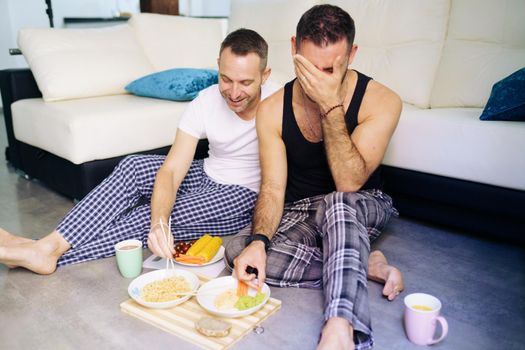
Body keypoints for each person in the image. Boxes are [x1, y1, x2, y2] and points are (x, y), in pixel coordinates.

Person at [0, 28, 277, 275]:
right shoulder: (206, 100)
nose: (234, 92)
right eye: (226, 79)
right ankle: (49, 246)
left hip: (242, 194)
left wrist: (156, 218)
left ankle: (43, 252)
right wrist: (159, 223)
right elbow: (170, 170)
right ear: (217, 66)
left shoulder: (279, 104)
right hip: (206, 172)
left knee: (142, 215)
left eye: (245, 83)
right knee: (134, 169)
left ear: (265, 75)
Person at [226, 5, 404, 350]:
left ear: (351, 54)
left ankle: (341, 327)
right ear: (294, 48)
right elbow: (275, 187)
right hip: (303, 208)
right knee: (240, 251)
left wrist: (330, 105)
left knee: (338, 202)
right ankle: (359, 259)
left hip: (361, 202)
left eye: (330, 69)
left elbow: (349, 183)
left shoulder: (383, 101)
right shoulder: (273, 109)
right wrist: (260, 241)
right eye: (309, 68)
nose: (318, 80)